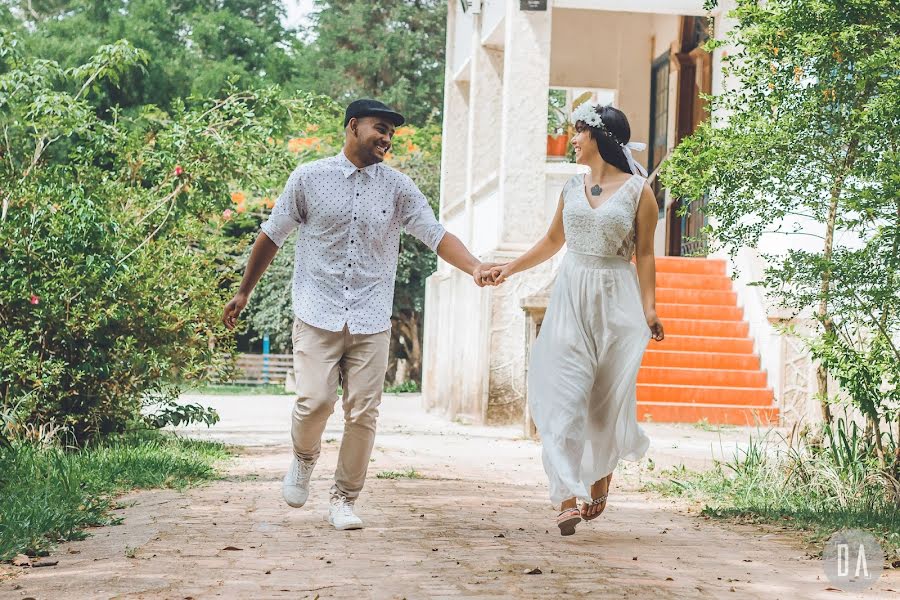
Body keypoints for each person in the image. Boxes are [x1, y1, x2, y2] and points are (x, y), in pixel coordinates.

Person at [223, 99, 497, 531]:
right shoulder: (309, 178)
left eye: (391, 132)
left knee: (363, 413)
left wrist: (475, 266)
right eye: (380, 128)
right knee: (314, 403)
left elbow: (435, 234)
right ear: (353, 126)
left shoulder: (398, 187)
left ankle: (344, 499)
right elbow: (271, 235)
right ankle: (303, 457)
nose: (386, 138)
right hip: (317, 309)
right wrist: (243, 292)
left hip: (371, 316)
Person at [490, 103, 664, 536]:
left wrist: (650, 308)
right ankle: (566, 496)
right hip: (571, 296)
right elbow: (552, 242)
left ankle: (600, 477)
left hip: (616, 301)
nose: (571, 140)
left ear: (600, 138)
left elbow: (644, 255)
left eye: (578, 132)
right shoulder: (570, 188)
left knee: (603, 406)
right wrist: (508, 269)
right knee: (565, 398)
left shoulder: (639, 192)